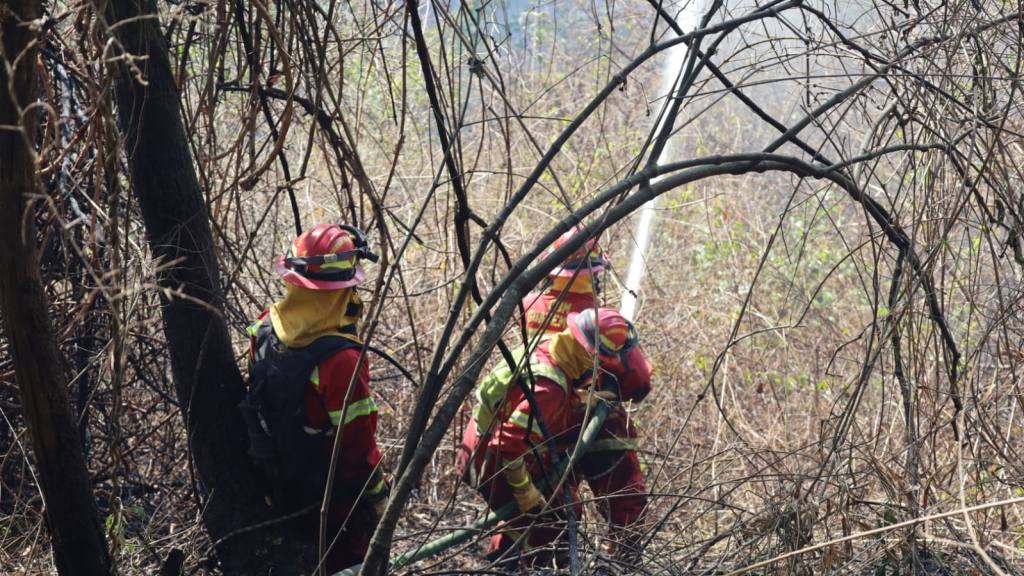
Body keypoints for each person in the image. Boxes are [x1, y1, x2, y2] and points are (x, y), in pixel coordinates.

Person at [239, 223, 387, 572]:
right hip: (328, 503)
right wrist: (378, 500)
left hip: (273, 488)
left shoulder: (265, 327)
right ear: (343, 288)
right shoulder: (341, 360)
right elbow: (355, 449)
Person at [457, 306, 649, 568]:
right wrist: (526, 493)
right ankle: (523, 567)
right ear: (586, 350)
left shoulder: (549, 344)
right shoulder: (550, 388)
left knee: (545, 517)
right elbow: (508, 444)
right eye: (597, 360)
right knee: (552, 521)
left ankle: (514, 561)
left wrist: (582, 399)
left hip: (480, 443)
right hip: (491, 460)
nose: (596, 368)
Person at [521, 228, 652, 560]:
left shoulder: (527, 306)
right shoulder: (597, 319)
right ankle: (621, 561)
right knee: (625, 496)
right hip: (592, 425)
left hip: (537, 423)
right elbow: (638, 384)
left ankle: (524, 561)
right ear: (595, 271)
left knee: (541, 510)